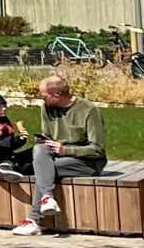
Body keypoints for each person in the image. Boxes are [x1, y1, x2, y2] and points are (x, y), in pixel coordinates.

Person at [11, 73, 107, 236]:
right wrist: (45, 140)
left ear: (57, 95)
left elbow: (98, 149)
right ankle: (47, 198)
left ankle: (34, 219)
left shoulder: (89, 110)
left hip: (86, 161)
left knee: (46, 169)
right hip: (56, 155)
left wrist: (66, 150)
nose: (42, 99)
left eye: (44, 96)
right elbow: (48, 136)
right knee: (39, 150)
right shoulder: (46, 108)